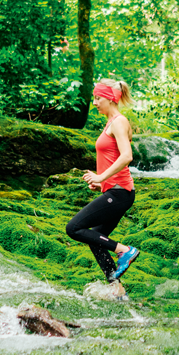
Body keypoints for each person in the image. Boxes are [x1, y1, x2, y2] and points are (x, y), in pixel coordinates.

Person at [65, 79, 141, 296]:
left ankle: (125, 251)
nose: (95, 103)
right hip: (115, 191)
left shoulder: (119, 122)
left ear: (110, 98)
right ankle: (117, 289)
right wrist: (101, 183)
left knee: (74, 228)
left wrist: (101, 176)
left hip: (120, 193)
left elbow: (127, 156)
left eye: (98, 98)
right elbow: (114, 158)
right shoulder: (110, 123)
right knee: (97, 238)